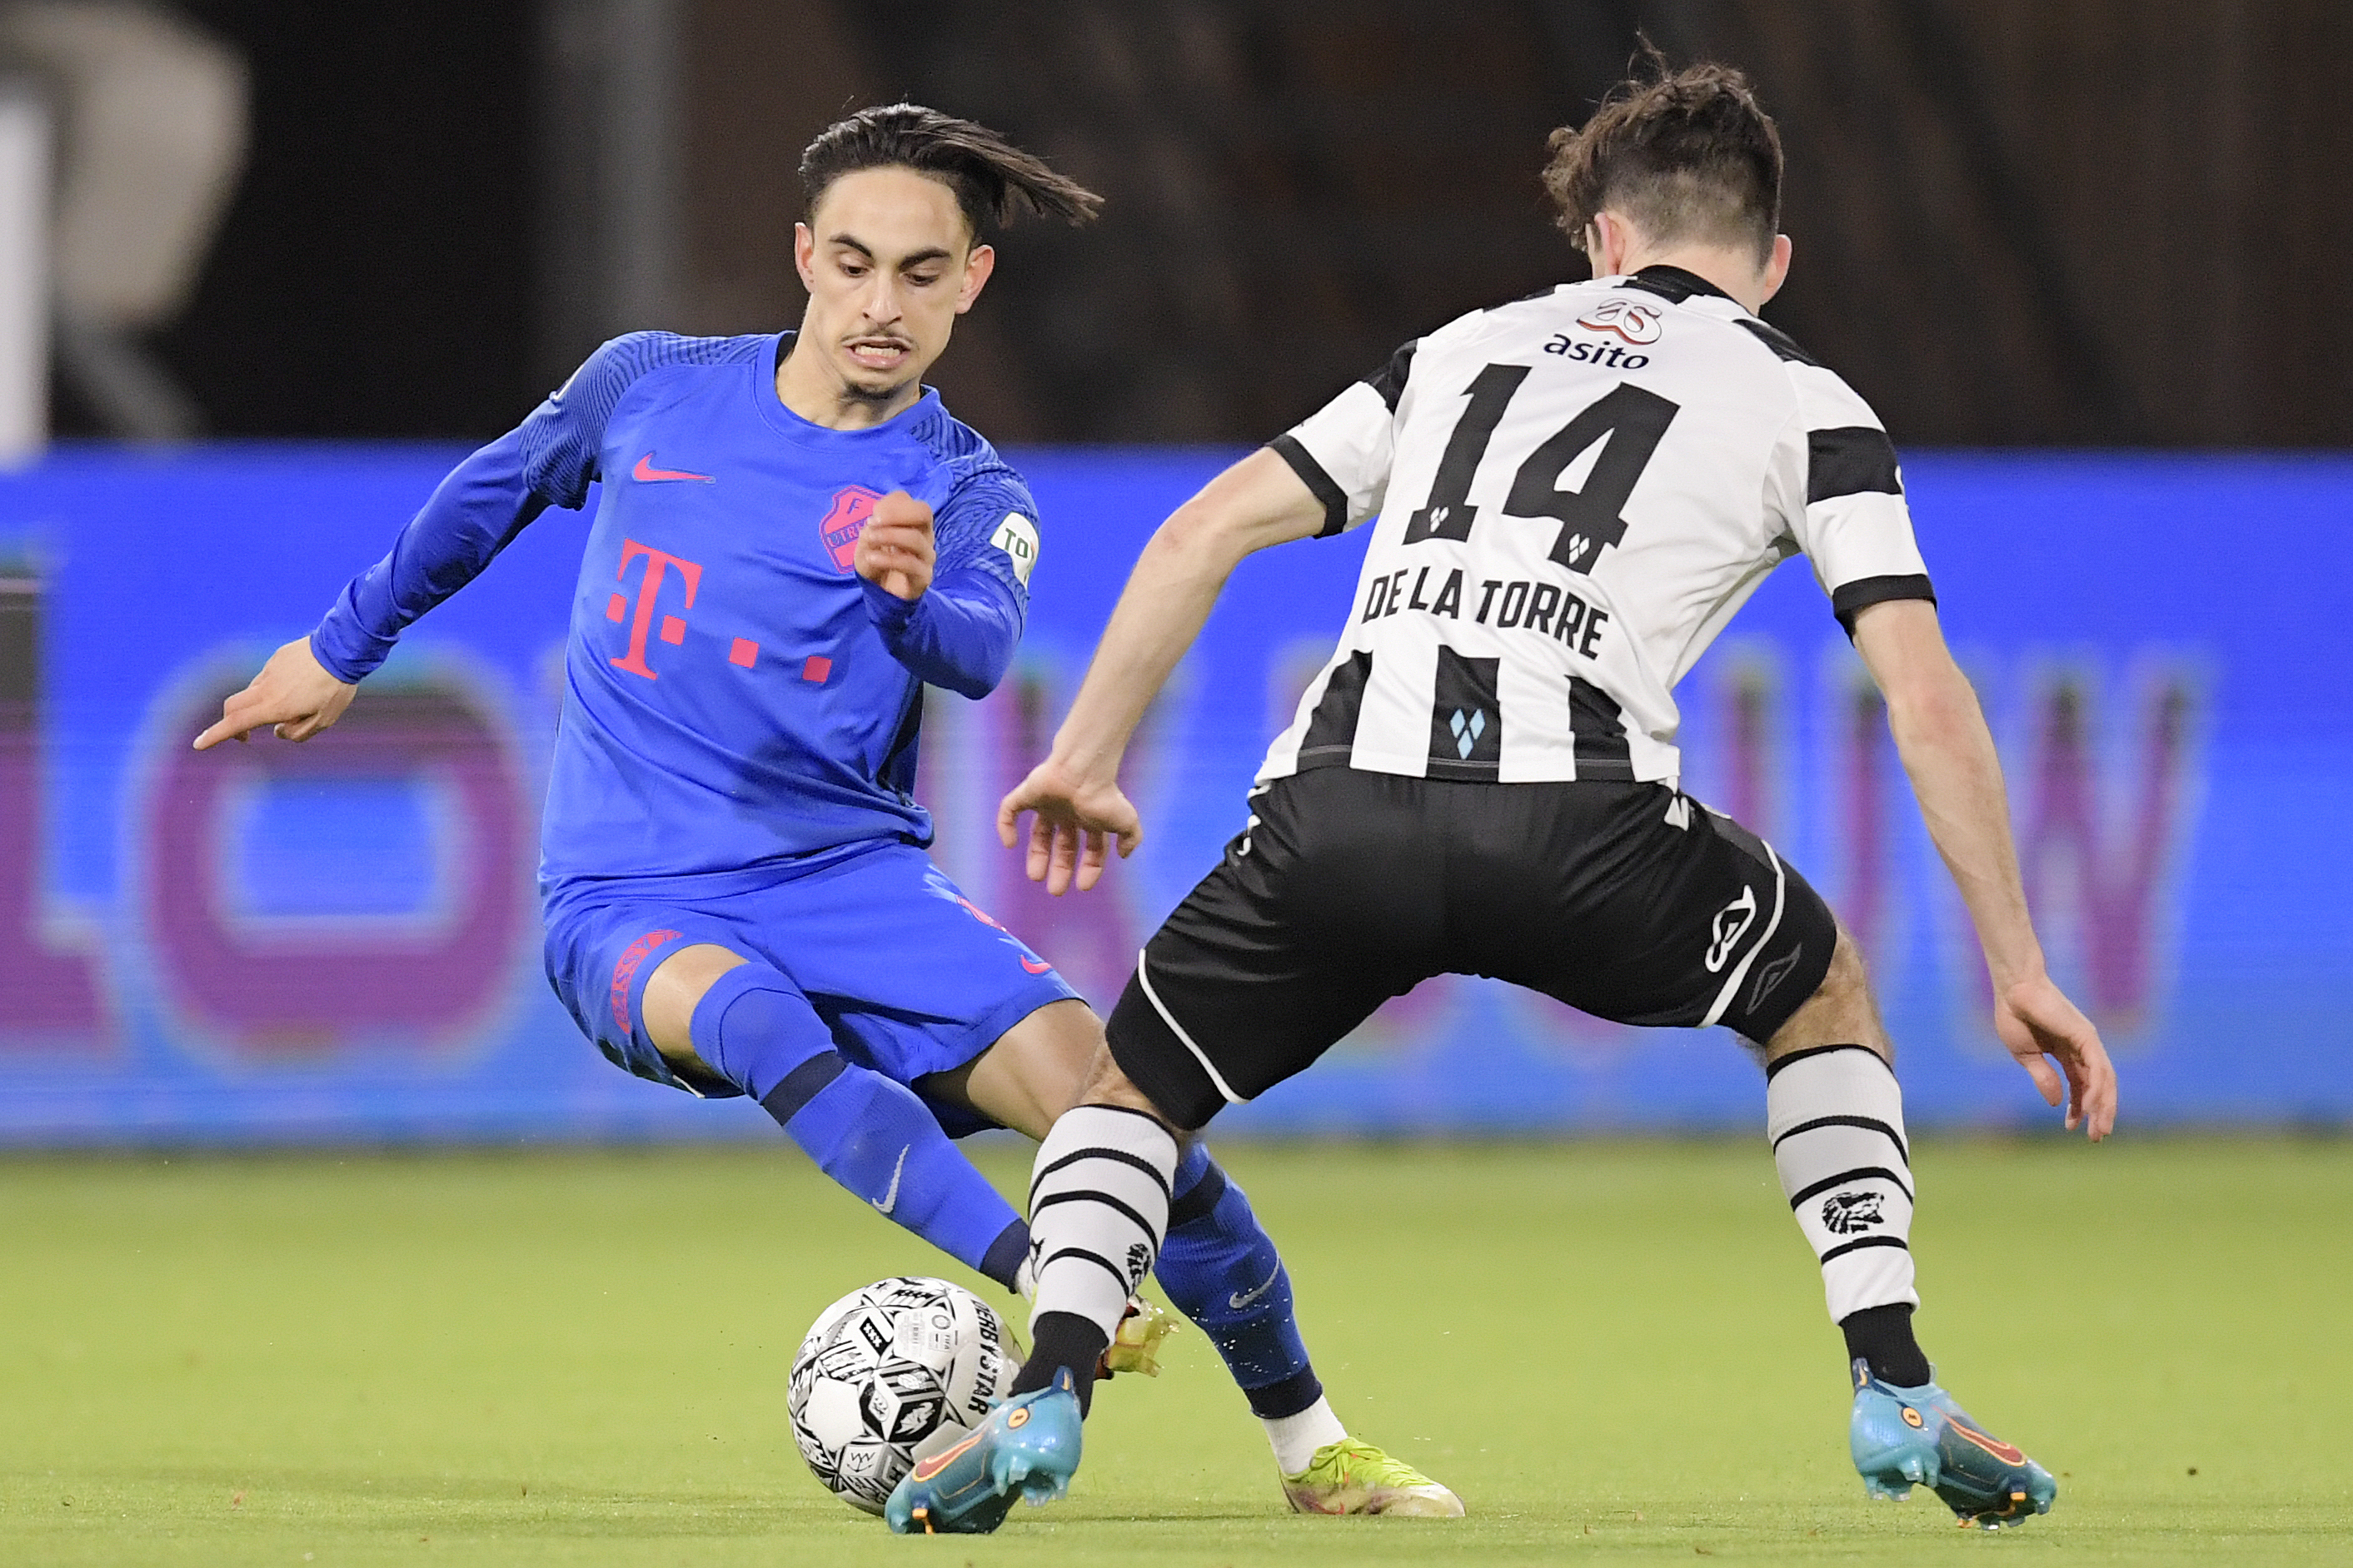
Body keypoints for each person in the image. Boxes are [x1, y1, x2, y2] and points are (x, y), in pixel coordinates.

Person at [899, 61, 2121, 1536]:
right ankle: (1894, 1380)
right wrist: (2017, 965)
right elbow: (1920, 695)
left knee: (1128, 1095)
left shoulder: (1461, 347)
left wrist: (1085, 757)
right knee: (1819, 990)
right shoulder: (1809, 401)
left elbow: (1200, 531)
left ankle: (1047, 1390)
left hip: (1340, 820)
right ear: (1772, 261)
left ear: (1602, 238)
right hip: (1580, 840)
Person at [190, 103, 1454, 1520]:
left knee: (1123, 1119)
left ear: (972, 281)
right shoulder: (647, 387)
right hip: (628, 898)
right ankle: (1045, 1283)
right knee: (754, 1020)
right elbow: (485, 497)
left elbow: (977, 649)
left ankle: (1312, 1446)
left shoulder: (965, 486)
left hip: (853, 886)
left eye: (921, 273)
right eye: (852, 264)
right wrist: (339, 648)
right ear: (804, 256)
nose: (880, 304)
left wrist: (904, 604)